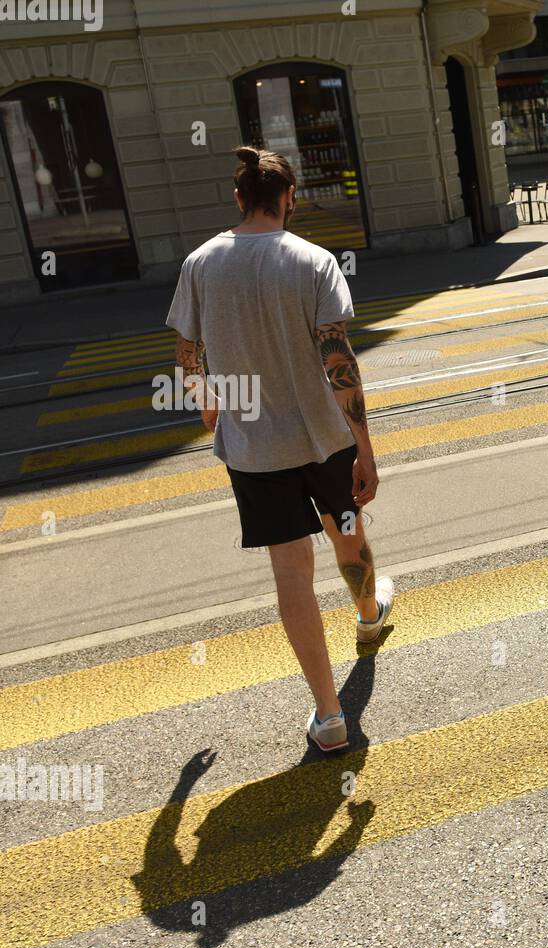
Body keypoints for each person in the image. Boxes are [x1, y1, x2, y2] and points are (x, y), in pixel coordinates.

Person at [166, 146, 394, 754]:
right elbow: (338, 359)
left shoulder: (200, 263)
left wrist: (207, 402)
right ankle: (369, 614)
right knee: (348, 531)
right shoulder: (314, 261)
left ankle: (329, 715)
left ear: (239, 198)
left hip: (252, 448)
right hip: (325, 437)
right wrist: (364, 448)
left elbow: (187, 357)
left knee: (291, 571)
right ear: (288, 198)